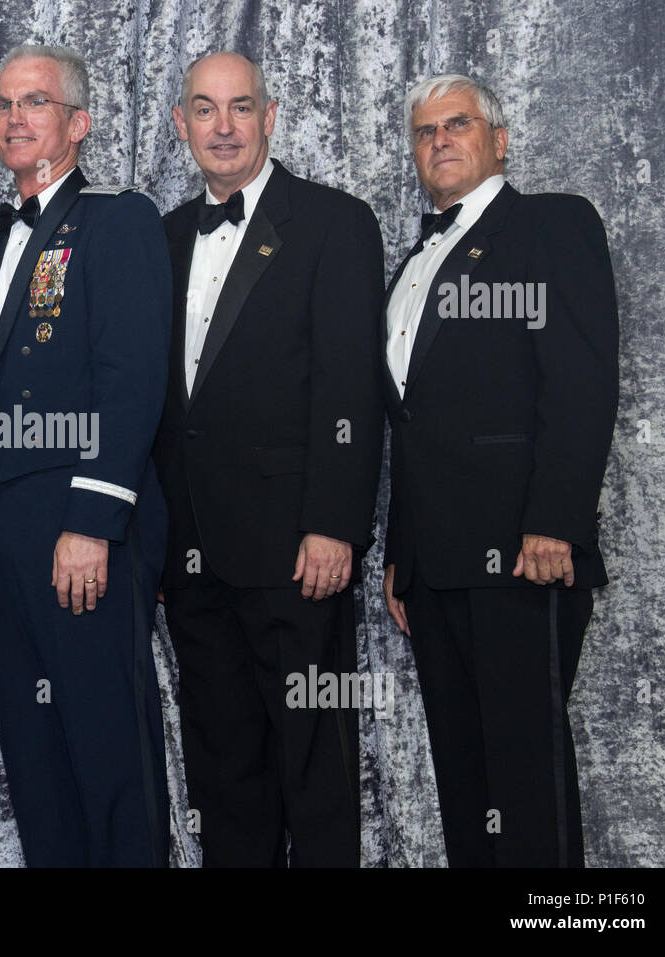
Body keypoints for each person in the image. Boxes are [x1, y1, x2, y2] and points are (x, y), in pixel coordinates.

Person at [153, 52, 384, 867]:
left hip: (296, 552)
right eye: (205, 110)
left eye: (240, 108)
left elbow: (351, 389)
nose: (223, 127)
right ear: (180, 123)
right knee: (225, 769)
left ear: (271, 115)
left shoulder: (334, 221)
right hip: (193, 557)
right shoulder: (166, 234)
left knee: (314, 767)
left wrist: (333, 525)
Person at [382, 74, 618, 866]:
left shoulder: (551, 225)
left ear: (499, 139)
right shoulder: (415, 257)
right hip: (434, 566)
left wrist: (555, 516)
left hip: (524, 552)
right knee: (467, 787)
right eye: (425, 131)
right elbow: (412, 421)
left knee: (527, 789)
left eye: (458, 124)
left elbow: (582, 380)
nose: (440, 140)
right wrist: (398, 550)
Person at [0, 43, 172, 867]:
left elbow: (130, 377)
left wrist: (92, 517)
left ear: (78, 123)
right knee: (34, 750)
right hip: (2, 530)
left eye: (37, 102)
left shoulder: (118, 219)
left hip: (80, 520)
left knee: (105, 740)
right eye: (4, 104)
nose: (16, 117)